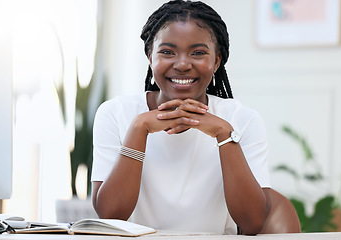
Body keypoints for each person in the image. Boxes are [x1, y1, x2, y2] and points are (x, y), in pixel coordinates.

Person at [91, 0, 271, 235]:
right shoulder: (114, 113)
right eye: (167, 52)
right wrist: (139, 127)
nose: (183, 64)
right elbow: (110, 216)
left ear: (216, 60)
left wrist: (225, 135)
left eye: (197, 53)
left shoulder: (242, 120)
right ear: (150, 56)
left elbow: (252, 223)